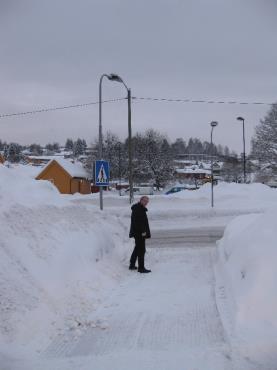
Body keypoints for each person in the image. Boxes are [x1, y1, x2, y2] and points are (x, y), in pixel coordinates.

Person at [129, 196, 151, 273]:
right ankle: (141, 268)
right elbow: (138, 223)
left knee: (137, 249)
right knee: (141, 250)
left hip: (138, 232)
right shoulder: (138, 209)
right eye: (145, 201)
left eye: (147, 202)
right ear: (141, 200)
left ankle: (132, 265)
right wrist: (143, 232)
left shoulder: (140, 208)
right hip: (139, 233)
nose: (146, 203)